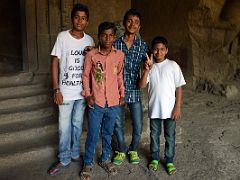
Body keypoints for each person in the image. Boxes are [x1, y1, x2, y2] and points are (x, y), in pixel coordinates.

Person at [47, 3, 94, 176]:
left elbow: (92, 66)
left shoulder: (89, 40)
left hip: (82, 93)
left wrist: (90, 92)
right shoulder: (62, 37)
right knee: (63, 127)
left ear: (87, 21)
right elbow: (54, 63)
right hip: (65, 91)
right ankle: (64, 157)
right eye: (76, 17)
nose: (79, 21)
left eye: (83, 18)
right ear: (71, 19)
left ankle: (74, 153)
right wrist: (56, 89)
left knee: (77, 124)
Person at [80, 22, 125, 180]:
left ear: (114, 37)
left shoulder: (119, 55)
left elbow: (119, 76)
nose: (108, 38)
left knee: (107, 133)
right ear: (99, 36)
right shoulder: (91, 55)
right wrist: (88, 95)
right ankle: (88, 162)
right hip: (96, 102)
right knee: (92, 133)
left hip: (113, 102)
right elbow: (85, 77)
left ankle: (105, 159)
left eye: (111, 35)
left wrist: (122, 94)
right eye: (104, 35)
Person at [139, 36, 186, 175]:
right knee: (154, 135)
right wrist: (147, 69)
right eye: (155, 49)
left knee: (170, 136)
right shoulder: (149, 66)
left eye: (161, 49)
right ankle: (154, 158)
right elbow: (142, 85)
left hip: (170, 110)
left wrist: (177, 107)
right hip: (155, 110)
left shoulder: (173, 65)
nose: (158, 52)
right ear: (152, 51)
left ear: (166, 50)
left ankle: (169, 160)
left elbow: (179, 88)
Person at [113, 8, 148, 165]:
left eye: (136, 22)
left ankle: (133, 149)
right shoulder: (115, 43)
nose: (132, 24)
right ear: (124, 23)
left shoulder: (143, 46)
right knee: (118, 122)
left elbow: (149, 63)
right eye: (129, 21)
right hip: (117, 90)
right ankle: (121, 150)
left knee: (138, 123)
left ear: (139, 27)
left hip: (134, 90)